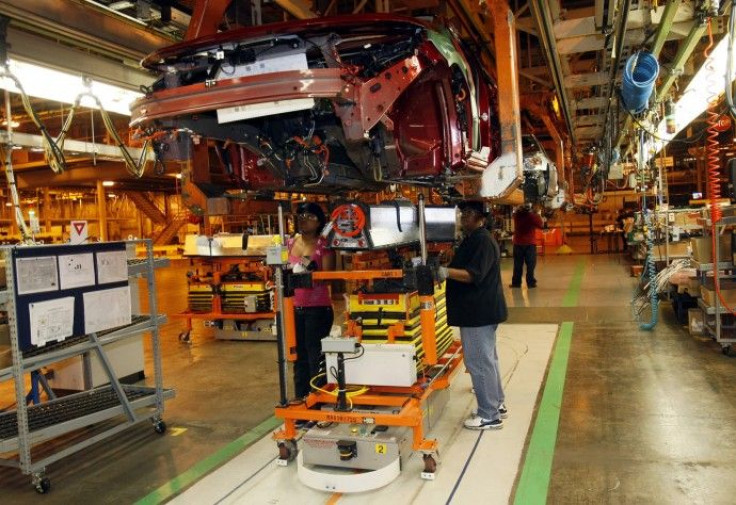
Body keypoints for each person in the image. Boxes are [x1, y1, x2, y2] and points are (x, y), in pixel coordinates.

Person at [438, 200, 508, 430]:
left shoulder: (482, 241)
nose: (464, 217)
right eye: (463, 213)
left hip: (478, 312)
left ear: (481, 218)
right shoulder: (473, 239)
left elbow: (472, 275)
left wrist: (444, 272)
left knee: (478, 362)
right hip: (480, 310)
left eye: (469, 214)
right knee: (488, 360)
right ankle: (497, 404)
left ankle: (489, 415)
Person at [287, 202, 335, 410]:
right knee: (299, 357)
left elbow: (329, 277)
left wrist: (311, 271)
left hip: (318, 309)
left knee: (315, 356)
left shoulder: (324, 245)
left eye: (308, 216)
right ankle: (301, 399)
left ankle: (317, 401)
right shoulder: (289, 243)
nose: (303, 219)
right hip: (294, 308)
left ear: (319, 221)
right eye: (300, 215)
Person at [510, 203, 544, 288]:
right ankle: (530, 282)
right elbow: (541, 225)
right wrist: (537, 213)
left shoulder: (516, 216)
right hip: (529, 244)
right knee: (530, 264)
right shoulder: (532, 216)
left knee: (517, 264)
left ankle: (516, 283)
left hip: (518, 243)